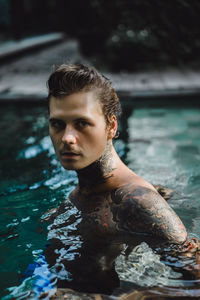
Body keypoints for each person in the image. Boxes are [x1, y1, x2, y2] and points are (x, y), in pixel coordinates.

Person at [44, 64, 200, 295]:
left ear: (112, 126)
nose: (67, 138)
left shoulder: (137, 201)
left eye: (82, 123)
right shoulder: (82, 192)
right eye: (58, 123)